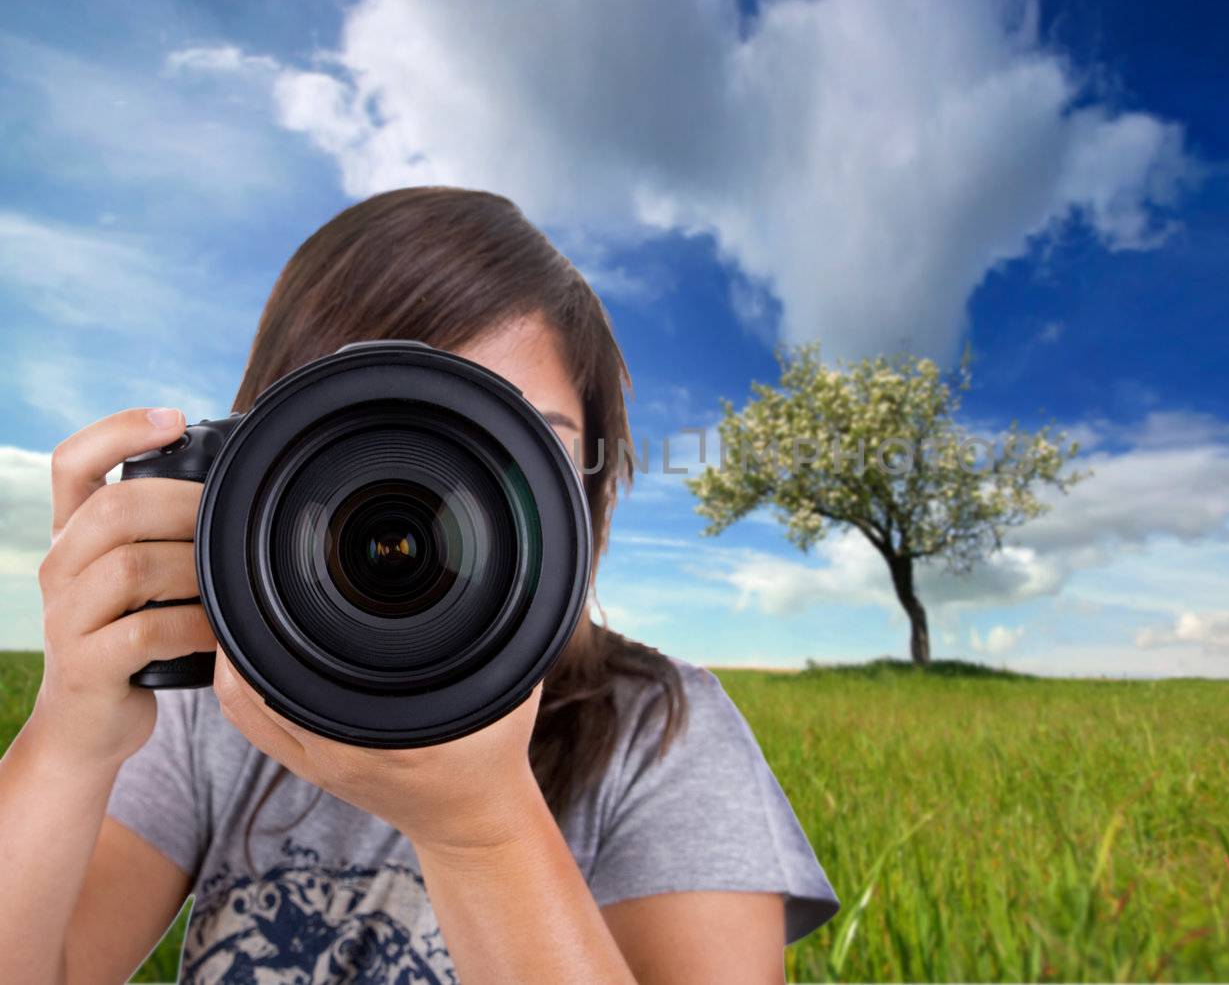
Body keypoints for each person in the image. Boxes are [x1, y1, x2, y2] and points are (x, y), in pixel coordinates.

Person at [0, 187, 838, 983]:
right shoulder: (214, 713)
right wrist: (70, 735)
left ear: (585, 486)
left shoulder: (662, 731)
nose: (436, 510)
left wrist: (484, 831)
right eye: (381, 442)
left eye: (513, 449)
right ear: (251, 471)